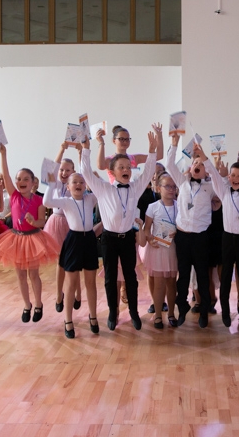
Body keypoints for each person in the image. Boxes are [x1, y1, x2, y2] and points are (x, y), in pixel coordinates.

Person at [81, 130, 158, 331]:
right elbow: (86, 172)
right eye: (121, 167)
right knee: (110, 278)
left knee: (131, 278)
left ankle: (134, 312)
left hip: (127, 239)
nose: (126, 170)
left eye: (128, 167)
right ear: (113, 171)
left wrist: (152, 151)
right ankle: (112, 312)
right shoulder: (103, 189)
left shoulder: (135, 188)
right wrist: (86, 149)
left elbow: (148, 172)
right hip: (109, 239)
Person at [198, 127, 239, 330]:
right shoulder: (224, 191)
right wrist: (203, 156)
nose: (235, 178)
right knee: (226, 276)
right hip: (227, 239)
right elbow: (213, 172)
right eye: (232, 175)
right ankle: (225, 311)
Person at [0, 143, 61, 323]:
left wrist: (33, 222)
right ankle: (26, 305)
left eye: (25, 179)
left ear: (33, 182)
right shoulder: (14, 196)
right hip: (16, 239)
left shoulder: (39, 200)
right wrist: (3, 154)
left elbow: (42, 221)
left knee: (33, 274)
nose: (21, 181)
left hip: (33, 238)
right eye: (18, 178)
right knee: (20, 275)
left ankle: (38, 304)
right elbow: (5, 175)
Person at [166, 133, 216, 328]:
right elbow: (169, 165)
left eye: (201, 164)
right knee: (183, 276)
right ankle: (182, 307)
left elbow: (218, 179)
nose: (197, 165)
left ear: (205, 170)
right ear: (190, 166)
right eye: (195, 162)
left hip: (202, 238)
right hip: (183, 237)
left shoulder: (211, 187)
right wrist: (174, 144)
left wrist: (205, 157)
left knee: (203, 276)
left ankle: (204, 312)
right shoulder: (182, 182)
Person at [43, 172, 99, 338]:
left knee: (91, 282)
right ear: (68, 187)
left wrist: (95, 178)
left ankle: (93, 316)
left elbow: (103, 190)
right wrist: (51, 184)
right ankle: (68, 320)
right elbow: (47, 202)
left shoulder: (90, 198)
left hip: (89, 240)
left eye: (82, 182)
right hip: (73, 240)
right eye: (75, 182)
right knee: (71, 283)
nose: (78, 184)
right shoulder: (66, 201)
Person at [45, 143, 81, 314]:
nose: (64, 173)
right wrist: (62, 148)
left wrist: (81, 152)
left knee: (74, 261)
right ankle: (59, 294)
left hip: (71, 223)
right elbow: (52, 167)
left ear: (73, 171)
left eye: (68, 170)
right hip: (56, 223)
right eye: (62, 170)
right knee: (61, 261)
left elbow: (83, 170)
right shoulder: (55, 183)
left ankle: (78, 293)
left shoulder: (75, 184)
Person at [140, 172, 179, 328]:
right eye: (167, 186)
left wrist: (178, 232)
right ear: (158, 188)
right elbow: (147, 229)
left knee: (172, 283)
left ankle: (171, 313)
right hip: (157, 249)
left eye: (173, 186)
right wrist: (150, 238)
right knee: (159, 284)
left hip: (173, 248)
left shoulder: (179, 205)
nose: (171, 189)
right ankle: (157, 315)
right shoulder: (153, 207)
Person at [96, 124, 164, 183]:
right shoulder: (109, 160)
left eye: (127, 139)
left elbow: (159, 156)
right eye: (121, 139)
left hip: (132, 192)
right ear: (114, 141)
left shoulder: (134, 158)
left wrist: (159, 136)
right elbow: (100, 166)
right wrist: (101, 143)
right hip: (115, 192)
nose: (125, 142)